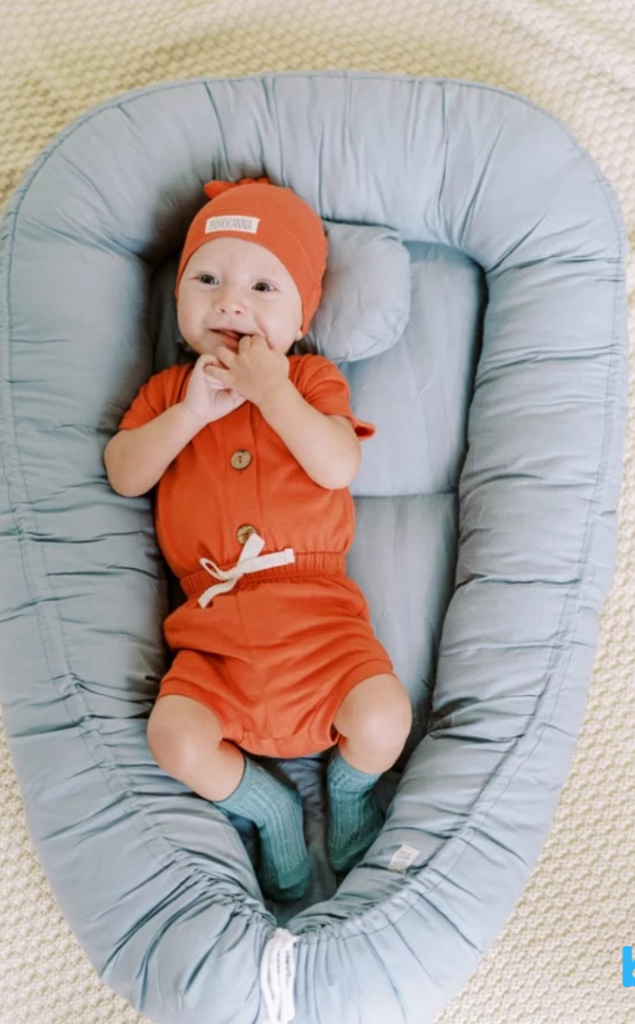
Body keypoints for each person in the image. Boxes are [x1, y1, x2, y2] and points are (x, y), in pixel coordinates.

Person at [104, 177, 412, 901]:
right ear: (178, 301)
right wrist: (189, 414)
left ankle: (349, 789)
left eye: (263, 287)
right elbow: (124, 474)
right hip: (213, 638)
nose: (231, 303)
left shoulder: (309, 379)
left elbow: (337, 464)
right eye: (206, 280)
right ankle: (269, 809)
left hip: (320, 627)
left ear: (301, 317)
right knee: (173, 738)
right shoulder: (167, 393)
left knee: (384, 717)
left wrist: (273, 390)